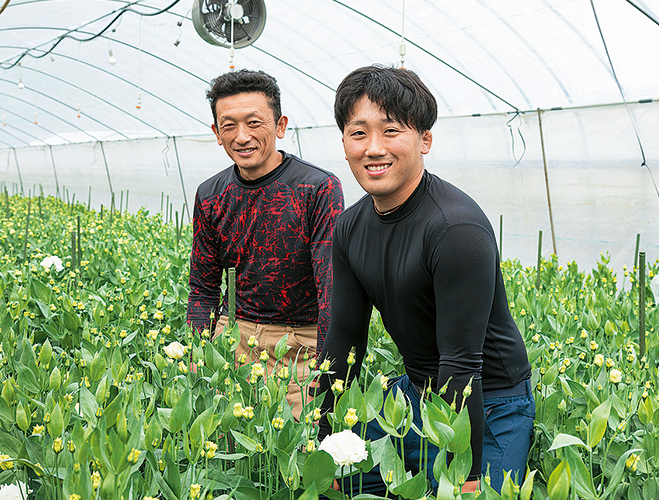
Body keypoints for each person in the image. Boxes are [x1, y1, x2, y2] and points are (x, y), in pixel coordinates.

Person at [318, 65, 533, 495]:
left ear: (425, 140)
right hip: (413, 394)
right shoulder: (349, 228)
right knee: (335, 482)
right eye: (358, 133)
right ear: (344, 143)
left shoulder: (456, 229)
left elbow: (461, 365)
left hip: (489, 404)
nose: (374, 148)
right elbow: (344, 339)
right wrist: (325, 440)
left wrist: (466, 478)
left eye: (391, 130)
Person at [188, 69, 344, 419]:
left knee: (300, 451)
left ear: (280, 125)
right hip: (233, 339)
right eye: (228, 126)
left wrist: (328, 367)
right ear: (216, 133)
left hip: (299, 345)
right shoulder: (211, 195)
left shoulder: (317, 188)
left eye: (254, 122)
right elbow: (203, 285)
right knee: (230, 451)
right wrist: (199, 352)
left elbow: (330, 285)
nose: (242, 136)